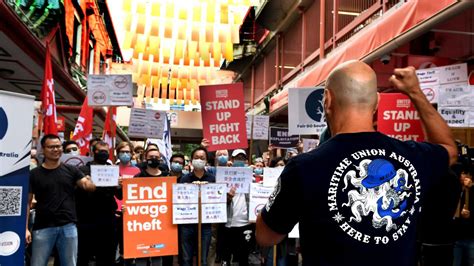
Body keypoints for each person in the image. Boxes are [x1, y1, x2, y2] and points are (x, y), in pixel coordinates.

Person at [255, 61, 458, 266]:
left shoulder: (303, 168)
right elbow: (448, 147)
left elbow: (266, 237)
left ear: (327, 99)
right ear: (376, 101)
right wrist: (415, 92)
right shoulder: (413, 157)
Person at [27, 134, 96, 266]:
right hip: (43, 227)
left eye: (58, 146)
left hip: (68, 226)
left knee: (70, 264)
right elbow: (27, 203)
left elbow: (87, 186)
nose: (55, 149)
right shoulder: (34, 174)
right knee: (37, 263)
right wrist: (25, 229)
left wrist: (91, 181)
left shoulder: (72, 170)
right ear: (43, 149)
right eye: (51, 147)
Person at [76, 141, 120, 266]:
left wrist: (119, 186)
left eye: (106, 151)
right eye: (100, 151)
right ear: (93, 152)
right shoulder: (82, 170)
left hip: (107, 219)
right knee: (83, 254)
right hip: (87, 219)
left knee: (107, 254)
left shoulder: (113, 171)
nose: (103, 154)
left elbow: (119, 195)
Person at [129, 148, 171, 266]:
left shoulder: (166, 177)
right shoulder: (138, 177)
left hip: (160, 223)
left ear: (160, 159)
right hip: (142, 224)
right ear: (145, 159)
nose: (154, 159)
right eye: (151, 157)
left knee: (158, 255)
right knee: (141, 256)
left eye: (156, 157)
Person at [179, 147, 215, 266]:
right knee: (186, 259)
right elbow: (179, 200)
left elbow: (217, 200)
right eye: (196, 158)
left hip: (205, 225)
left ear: (206, 161)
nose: (199, 160)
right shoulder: (184, 178)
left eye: (202, 158)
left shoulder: (212, 179)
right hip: (187, 224)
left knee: (203, 259)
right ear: (191, 160)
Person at [222, 149, 255, 266]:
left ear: (246, 161)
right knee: (226, 258)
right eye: (237, 158)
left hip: (245, 223)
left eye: (242, 159)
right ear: (231, 160)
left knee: (244, 257)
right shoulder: (224, 177)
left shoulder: (252, 178)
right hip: (228, 224)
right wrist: (228, 198)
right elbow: (218, 199)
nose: (239, 161)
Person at [115, 141, 141, 264]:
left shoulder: (138, 171)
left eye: (127, 152)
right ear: (117, 153)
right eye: (122, 152)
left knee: (132, 244)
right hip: (117, 213)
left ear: (132, 154)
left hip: (133, 213)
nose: (125, 154)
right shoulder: (112, 171)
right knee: (120, 245)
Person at [453, 168, 474, 266]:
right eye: (462, 174)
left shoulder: (472, 190)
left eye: (466, 174)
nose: (464, 176)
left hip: (470, 237)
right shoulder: (455, 189)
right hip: (455, 236)